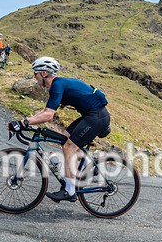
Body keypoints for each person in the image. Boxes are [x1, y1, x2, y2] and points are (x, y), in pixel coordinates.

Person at [15, 56, 110, 202]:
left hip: (96, 117)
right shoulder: (58, 85)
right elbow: (46, 111)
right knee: (65, 138)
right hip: (92, 115)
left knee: (69, 147)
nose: (35, 77)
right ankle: (89, 166)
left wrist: (24, 123)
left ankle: (69, 191)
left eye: (35, 73)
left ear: (44, 73)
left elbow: (49, 116)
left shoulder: (57, 85)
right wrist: (25, 121)